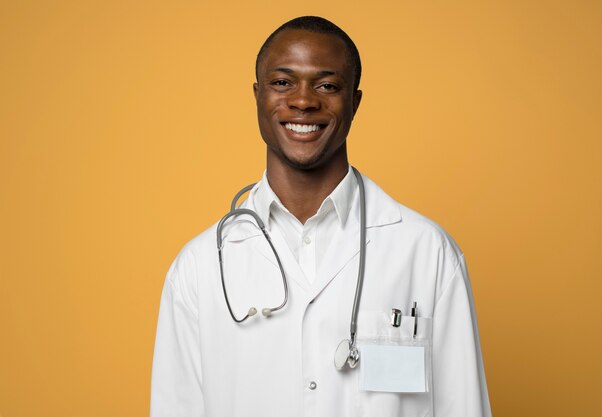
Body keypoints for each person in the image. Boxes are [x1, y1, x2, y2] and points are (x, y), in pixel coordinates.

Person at [150, 16, 491, 417]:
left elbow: (463, 407)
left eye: (327, 85)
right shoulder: (199, 266)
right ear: (258, 96)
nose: (303, 101)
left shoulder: (426, 252)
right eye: (282, 83)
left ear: (354, 102)